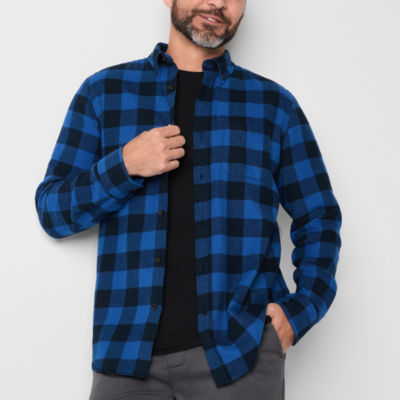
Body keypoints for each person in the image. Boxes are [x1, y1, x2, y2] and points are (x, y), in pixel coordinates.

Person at [34, 0, 342, 399]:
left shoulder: (273, 106)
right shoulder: (104, 93)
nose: (217, 2)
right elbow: (53, 211)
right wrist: (124, 165)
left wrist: (298, 313)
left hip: (241, 357)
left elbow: (319, 216)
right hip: (125, 357)